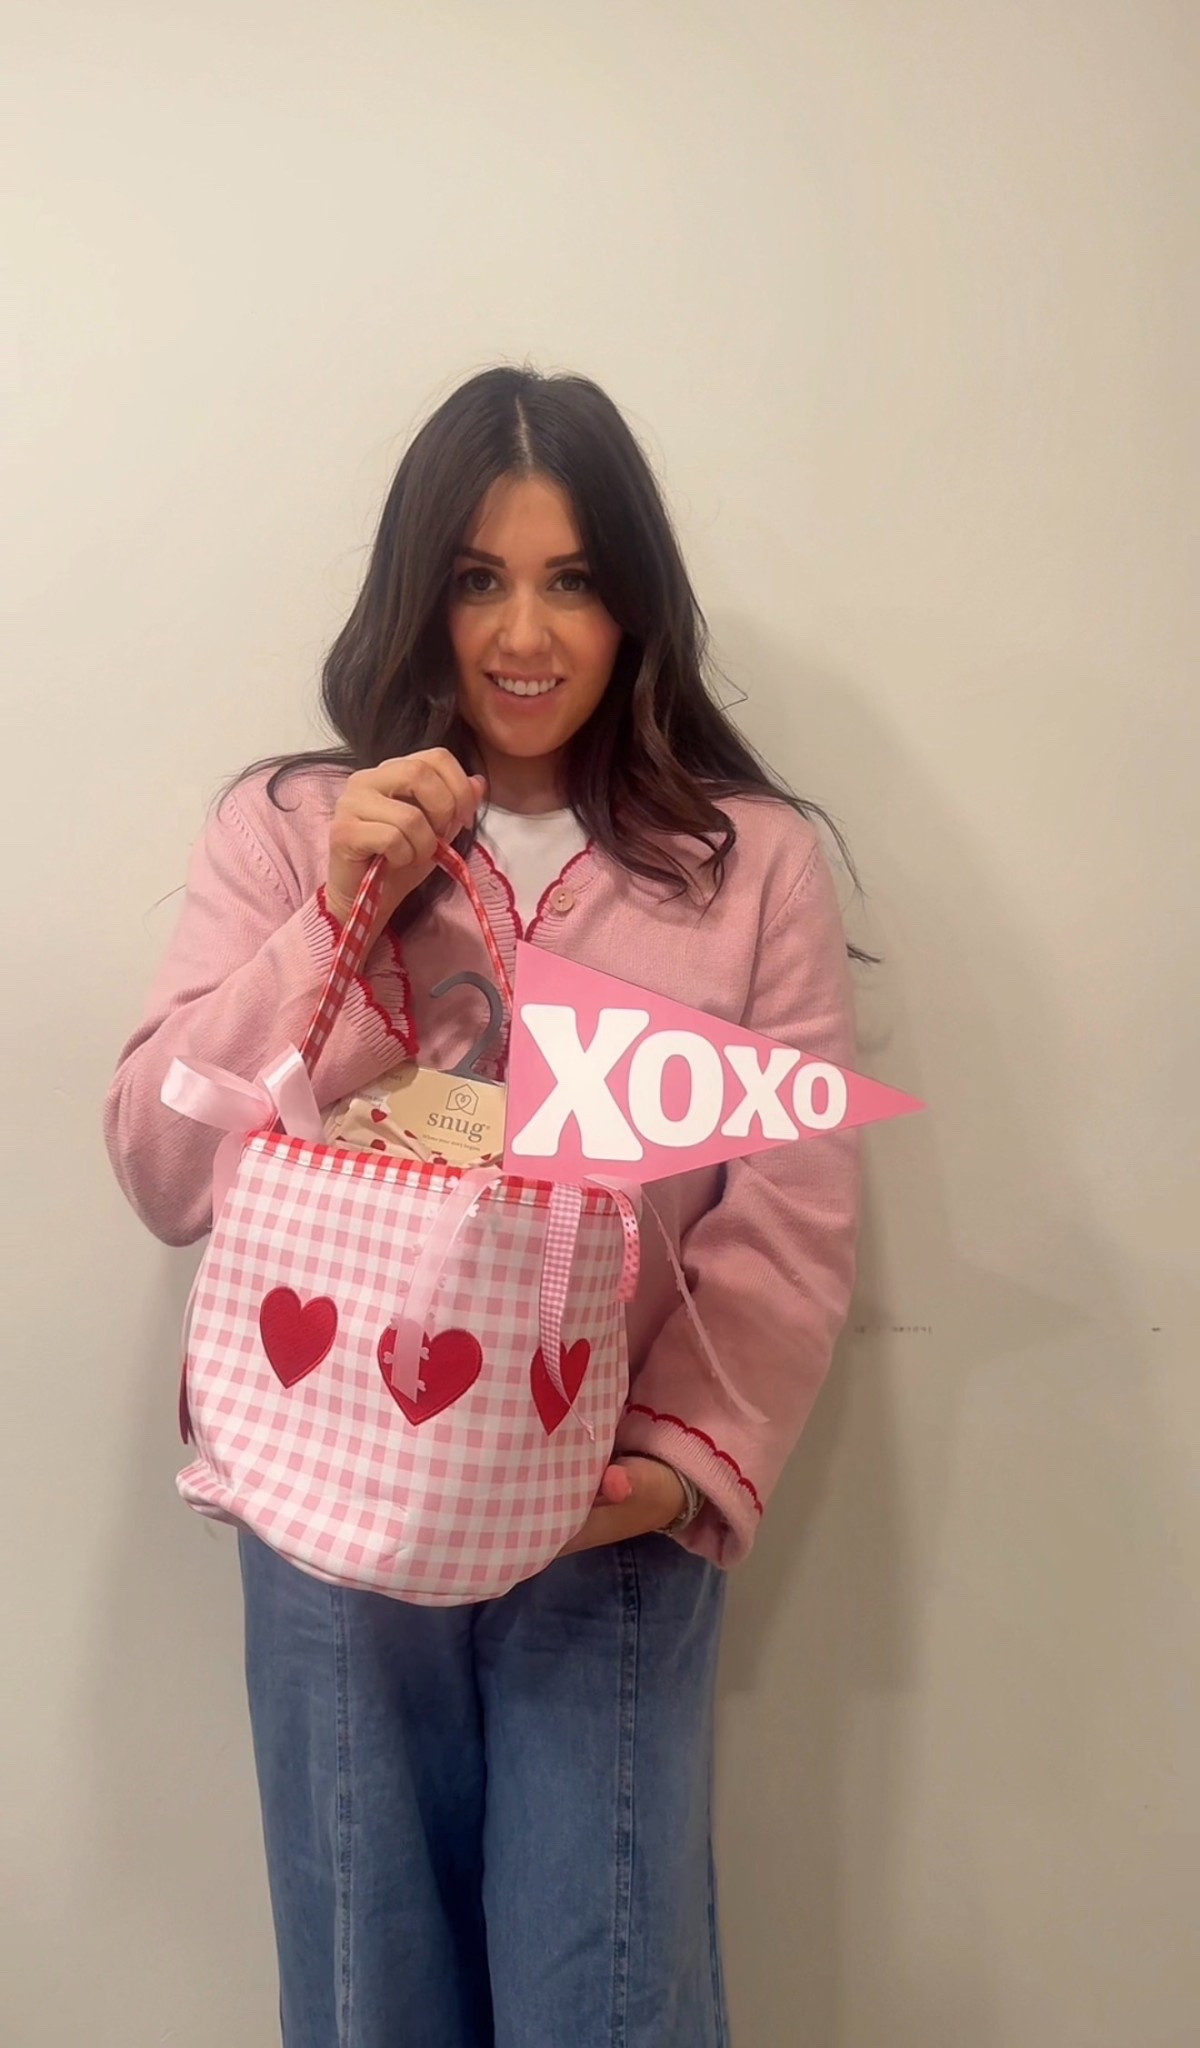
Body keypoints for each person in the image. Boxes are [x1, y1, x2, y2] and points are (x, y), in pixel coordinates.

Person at [104, 366, 860, 2048]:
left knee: (607, 1991)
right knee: (368, 1989)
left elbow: (791, 1212)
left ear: (635, 603)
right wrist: (334, 922)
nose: (526, 632)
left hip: (604, 1522)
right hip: (333, 1515)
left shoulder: (742, 865)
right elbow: (162, 1168)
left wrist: (670, 1469)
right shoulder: (291, 824)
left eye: (573, 578)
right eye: (479, 576)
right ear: (419, 591)